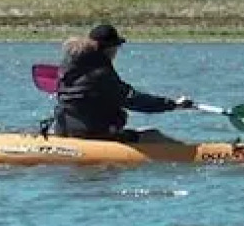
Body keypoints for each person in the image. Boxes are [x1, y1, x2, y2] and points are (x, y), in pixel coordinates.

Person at [49, 24, 192, 141]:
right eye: (116, 47)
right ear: (109, 48)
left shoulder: (67, 68)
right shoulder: (101, 74)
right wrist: (173, 104)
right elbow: (132, 100)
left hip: (64, 130)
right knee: (153, 136)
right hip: (93, 134)